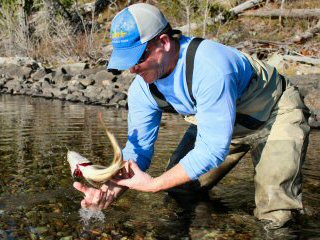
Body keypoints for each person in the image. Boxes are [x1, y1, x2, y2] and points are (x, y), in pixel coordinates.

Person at [73, 3, 310, 229]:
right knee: (180, 189)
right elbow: (139, 152)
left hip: (274, 113)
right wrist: (109, 190)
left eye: (138, 59)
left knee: (276, 215)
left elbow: (213, 149)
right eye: (127, 62)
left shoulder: (211, 67)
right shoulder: (142, 90)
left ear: (164, 42)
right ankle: (206, 227)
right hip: (219, 124)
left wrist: (155, 184)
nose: (132, 69)